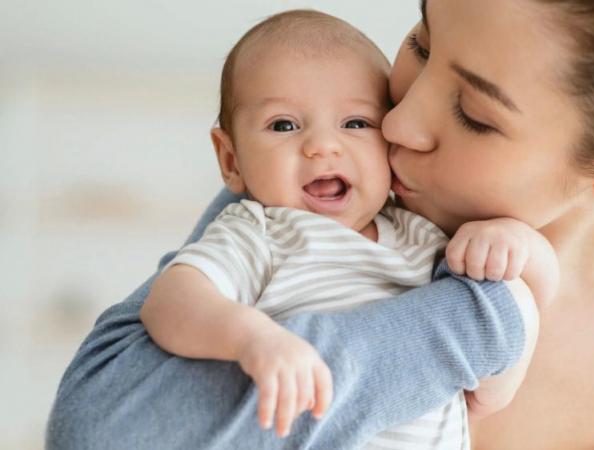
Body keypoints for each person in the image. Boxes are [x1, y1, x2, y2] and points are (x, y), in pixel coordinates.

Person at [47, 0, 594, 449]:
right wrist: (485, 318)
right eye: (422, 40)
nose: (398, 121)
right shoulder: (318, 212)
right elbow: (97, 431)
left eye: (475, 114)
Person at [138, 10, 555, 448]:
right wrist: (251, 339)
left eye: (355, 123)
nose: (323, 146)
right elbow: (169, 302)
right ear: (231, 160)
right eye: (284, 125)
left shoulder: (419, 233)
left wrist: (515, 241)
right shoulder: (259, 233)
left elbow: (524, 300)